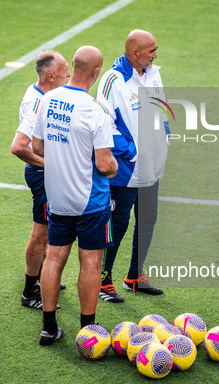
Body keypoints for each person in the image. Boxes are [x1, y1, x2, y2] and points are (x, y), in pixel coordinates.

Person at [32, 46, 118, 346]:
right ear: (96, 72)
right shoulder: (97, 110)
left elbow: (38, 147)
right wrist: (115, 165)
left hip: (57, 197)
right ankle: (88, 331)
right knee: (91, 262)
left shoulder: (48, 100)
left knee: (54, 259)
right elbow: (104, 164)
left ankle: (48, 327)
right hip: (90, 201)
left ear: (73, 67)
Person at [95, 29, 170, 303]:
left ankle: (135, 276)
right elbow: (103, 123)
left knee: (148, 217)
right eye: (151, 50)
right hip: (125, 168)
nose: (155, 54)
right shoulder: (112, 80)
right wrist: (133, 152)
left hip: (152, 165)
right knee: (118, 222)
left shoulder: (153, 72)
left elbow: (161, 109)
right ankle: (104, 279)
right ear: (134, 53)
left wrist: (165, 138)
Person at [10, 50, 71, 311]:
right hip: (42, 175)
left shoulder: (43, 93)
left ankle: (45, 277)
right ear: (50, 75)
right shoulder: (38, 104)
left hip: (46, 174)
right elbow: (19, 147)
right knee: (41, 234)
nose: (69, 74)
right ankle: (29, 291)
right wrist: (52, 166)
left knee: (48, 233)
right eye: (65, 70)